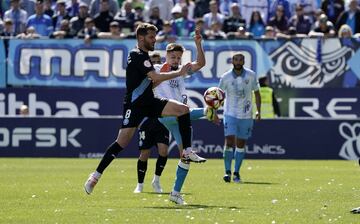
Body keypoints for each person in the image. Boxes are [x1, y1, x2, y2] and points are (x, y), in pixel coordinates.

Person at [84, 22, 203, 195]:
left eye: (155, 36)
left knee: (183, 109)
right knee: (122, 142)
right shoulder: (136, 54)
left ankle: (187, 150)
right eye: (151, 37)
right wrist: (179, 73)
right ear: (141, 38)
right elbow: (154, 76)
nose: (154, 40)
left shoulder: (146, 56)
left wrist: (195, 49)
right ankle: (95, 176)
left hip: (150, 101)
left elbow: (153, 80)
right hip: (135, 104)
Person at [134, 30, 218, 205]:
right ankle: (207, 112)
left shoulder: (181, 70)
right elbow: (147, 85)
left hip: (179, 119)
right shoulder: (156, 69)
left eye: (179, 58)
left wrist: (198, 44)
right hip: (165, 113)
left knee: (185, 157)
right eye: (173, 57)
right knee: (195, 111)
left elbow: (201, 63)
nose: (176, 60)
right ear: (166, 56)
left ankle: (175, 193)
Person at [219, 53, 261, 183]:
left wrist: (259, 110)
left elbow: (257, 93)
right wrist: (214, 111)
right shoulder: (225, 77)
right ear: (232, 61)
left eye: (240, 59)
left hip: (246, 114)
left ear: (243, 61)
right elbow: (218, 95)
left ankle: (236, 173)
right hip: (230, 113)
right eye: (236, 59)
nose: (238, 61)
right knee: (229, 141)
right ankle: (227, 171)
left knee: (241, 143)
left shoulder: (251, 75)